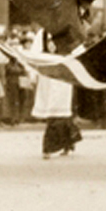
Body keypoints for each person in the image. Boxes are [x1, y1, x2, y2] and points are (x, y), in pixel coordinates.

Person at [32, 29, 82, 160]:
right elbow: (34, 54)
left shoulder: (67, 33)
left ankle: (51, 145)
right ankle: (65, 143)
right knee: (53, 110)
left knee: (60, 110)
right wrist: (34, 74)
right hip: (48, 76)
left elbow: (77, 51)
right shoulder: (42, 34)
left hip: (63, 75)